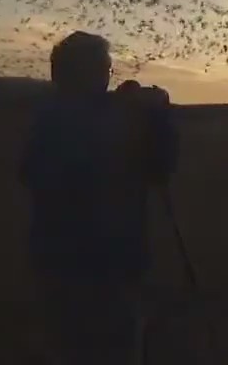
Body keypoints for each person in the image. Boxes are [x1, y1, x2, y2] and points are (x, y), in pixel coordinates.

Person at [20, 31, 178, 365]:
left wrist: (156, 121)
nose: (107, 78)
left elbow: (158, 168)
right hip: (86, 267)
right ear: (75, 74)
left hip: (97, 263)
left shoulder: (55, 119)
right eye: (101, 70)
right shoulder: (58, 123)